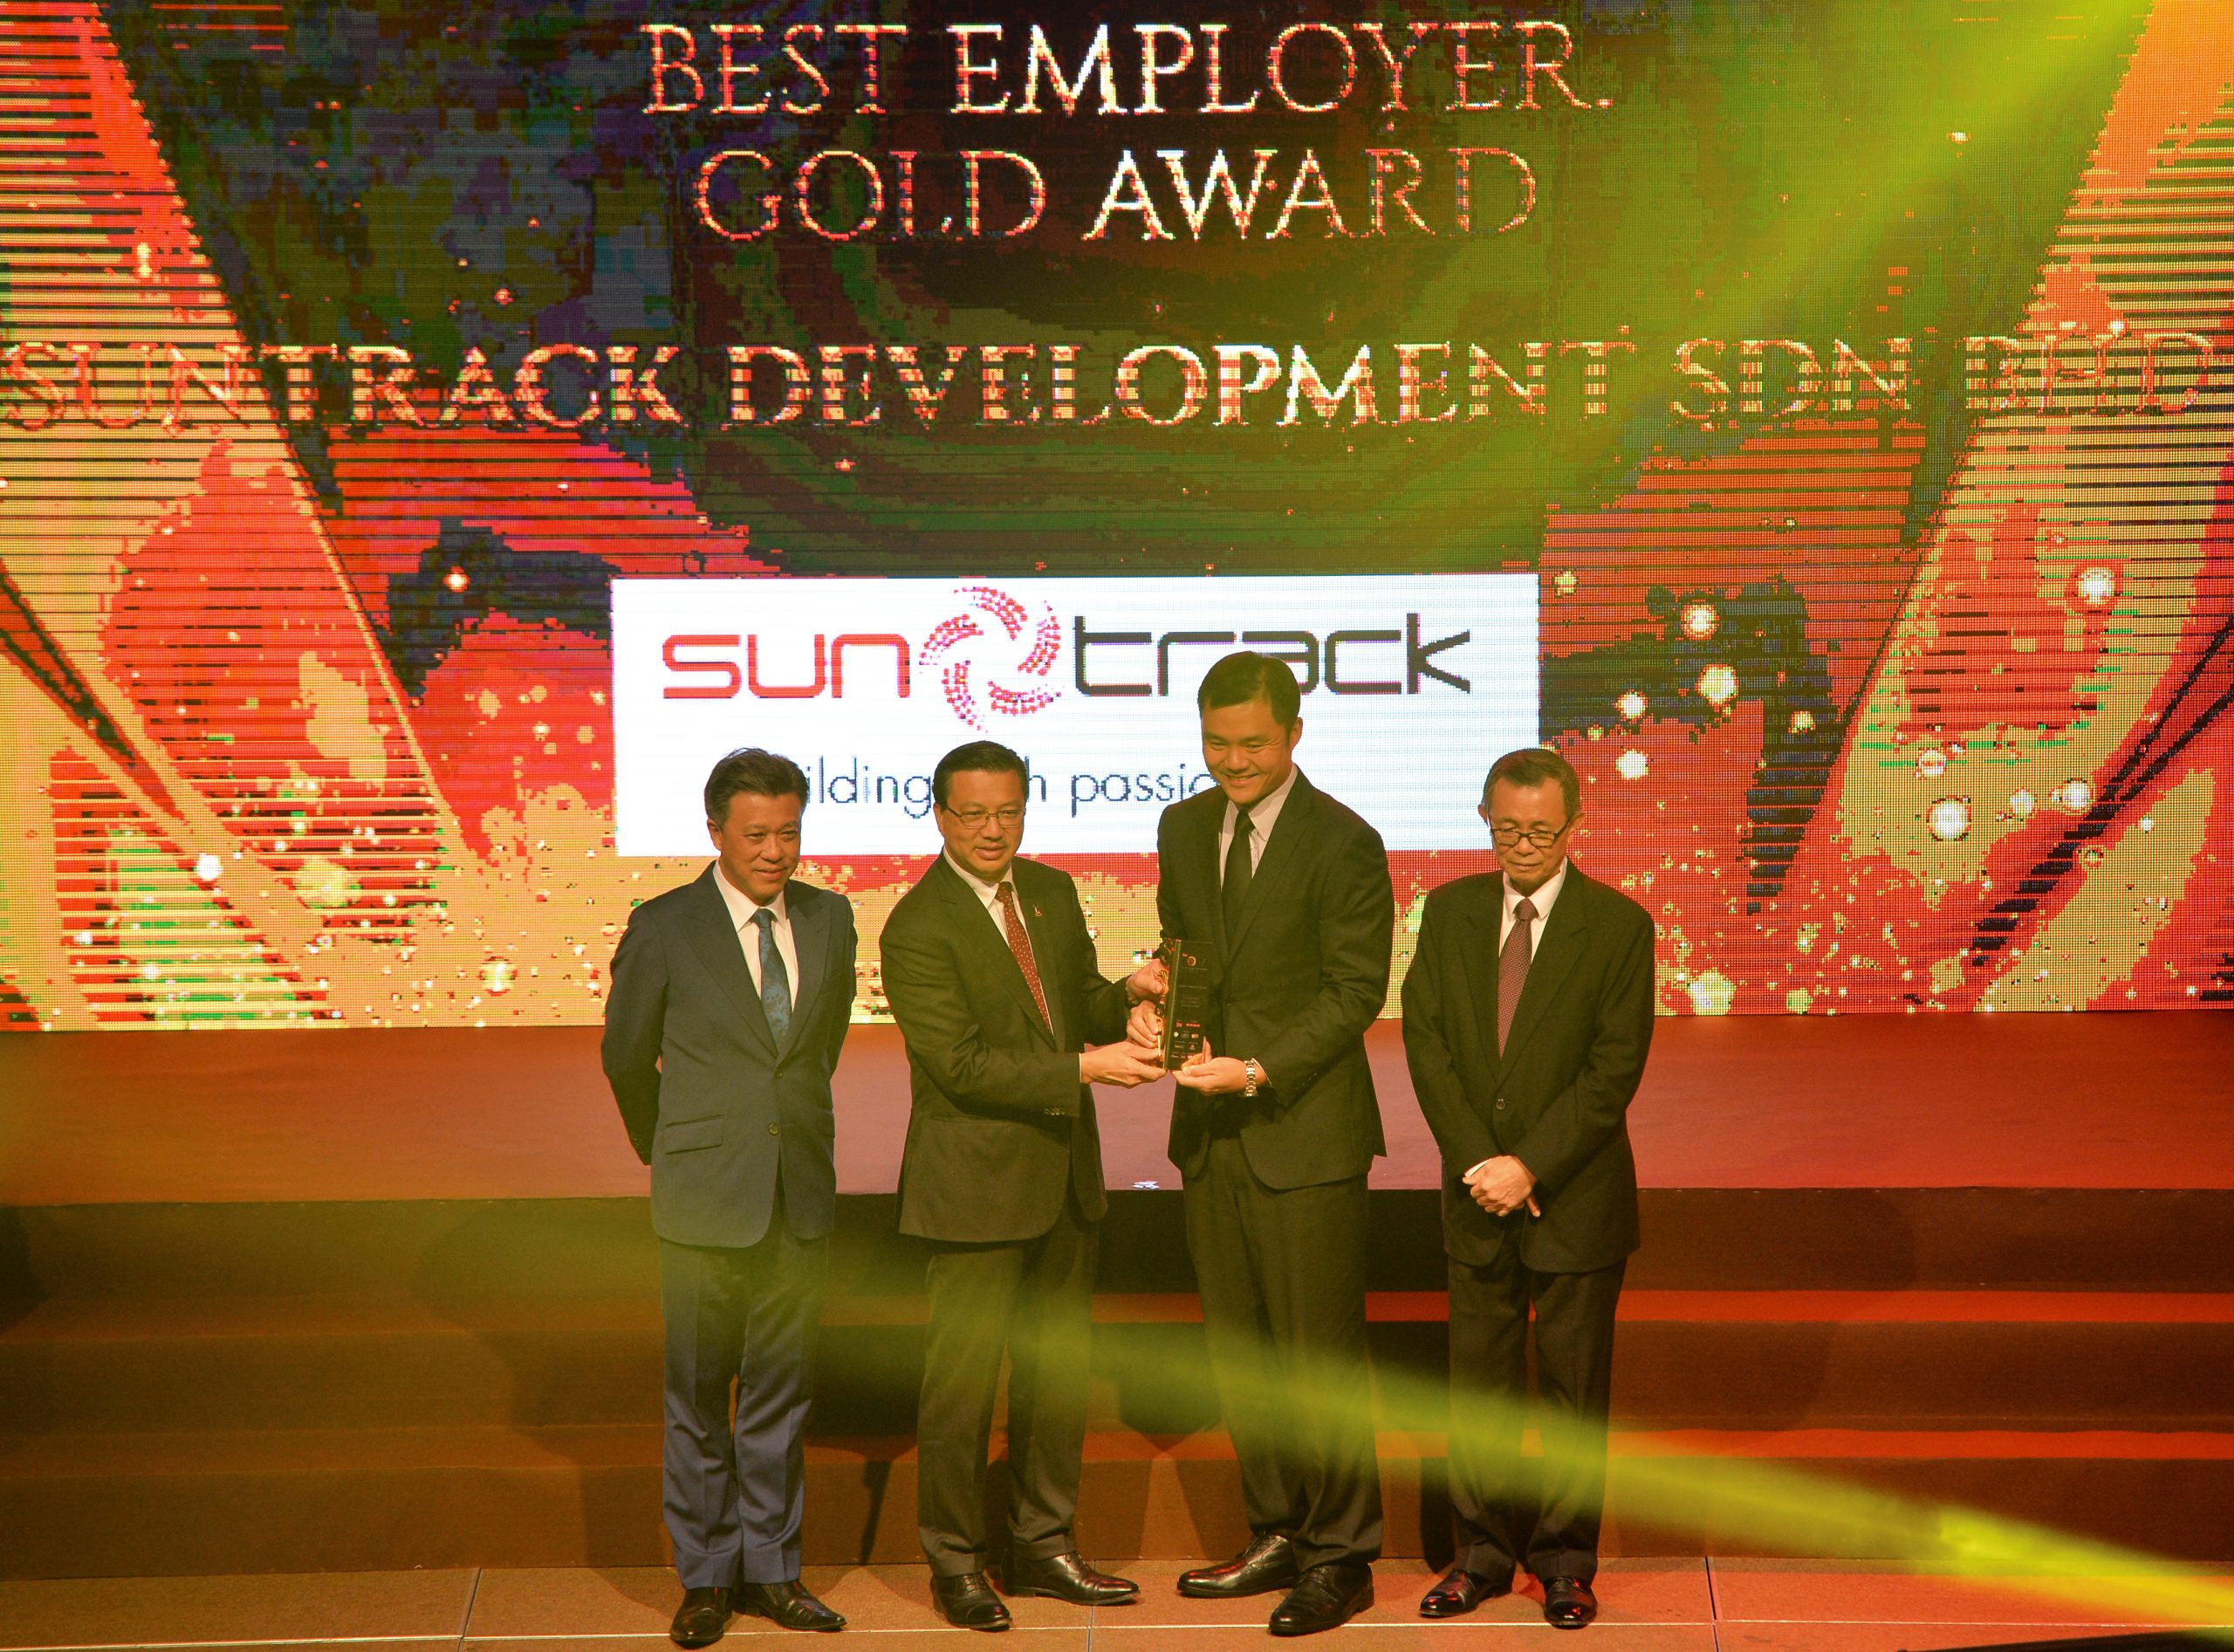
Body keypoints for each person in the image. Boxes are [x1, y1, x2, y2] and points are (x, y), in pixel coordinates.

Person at [879, 740, 1168, 1631]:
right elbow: (962, 1066)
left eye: (1007, 811)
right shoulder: (916, 925)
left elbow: (1073, 1000)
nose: (992, 829)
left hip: (1064, 1179)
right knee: (962, 1390)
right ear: (939, 814)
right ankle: (956, 1562)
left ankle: (1044, 1546)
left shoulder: (1048, 890)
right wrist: (1088, 1067)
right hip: (972, 1190)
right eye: (972, 814)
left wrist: (1130, 990)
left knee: (1057, 1373)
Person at [1140, 651, 1395, 1638]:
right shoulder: (1181, 825)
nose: (1233, 761)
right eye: (1217, 743)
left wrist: (1254, 1068)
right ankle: (1278, 1532)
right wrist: (1159, 1000)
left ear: (1293, 732)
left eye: (1252, 743)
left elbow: (1353, 990)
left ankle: (1342, 1556)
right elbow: (1188, 954)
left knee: (1315, 1355)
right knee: (1243, 1354)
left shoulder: (1344, 841)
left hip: (1305, 1133)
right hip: (1211, 1135)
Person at [600, 748, 860, 1643]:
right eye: (756, 835)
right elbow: (626, 1056)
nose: (775, 851)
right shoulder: (664, 925)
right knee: (700, 1394)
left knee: (782, 1394)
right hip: (703, 1194)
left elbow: (818, 1047)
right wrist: (674, 1148)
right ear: (715, 831)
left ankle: (774, 1571)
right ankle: (708, 1575)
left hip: (799, 1192)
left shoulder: (831, 918)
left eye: (789, 832)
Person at [1401, 746, 1655, 1631]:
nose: (1523, 844)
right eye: (1507, 828)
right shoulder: (1448, 913)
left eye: (1541, 830)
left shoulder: (1618, 926)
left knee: (1572, 1393)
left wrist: (1529, 1165)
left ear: (1575, 824)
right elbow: (1427, 1043)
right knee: (1478, 1388)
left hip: (1574, 1197)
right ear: (1484, 818)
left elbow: (1612, 1070)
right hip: (1476, 1195)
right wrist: (1481, 1161)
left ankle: (1564, 1563)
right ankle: (1477, 1557)